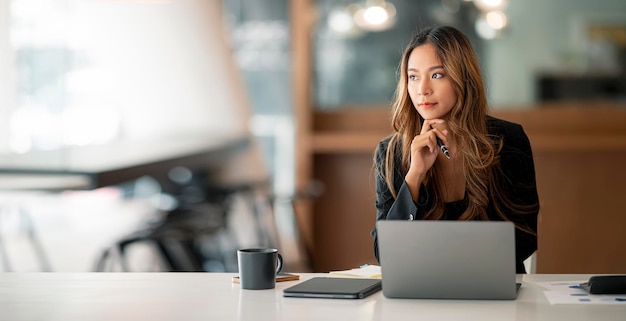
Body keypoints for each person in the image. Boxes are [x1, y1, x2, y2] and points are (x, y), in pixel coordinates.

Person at [371, 26, 539, 274]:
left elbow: (525, 238)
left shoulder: (508, 140)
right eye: (414, 77)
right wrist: (415, 177)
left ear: (463, 78)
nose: (422, 89)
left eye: (437, 75)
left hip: (492, 289)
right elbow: (385, 253)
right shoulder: (390, 152)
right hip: (419, 294)